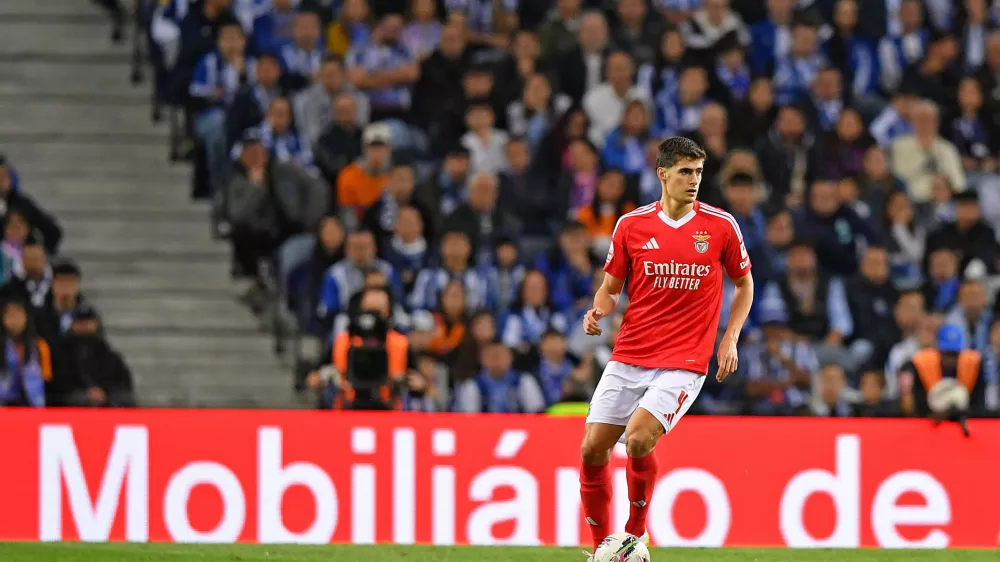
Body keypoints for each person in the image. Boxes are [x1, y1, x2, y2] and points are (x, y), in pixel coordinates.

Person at [578, 136, 754, 558]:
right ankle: (604, 550)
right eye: (685, 172)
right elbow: (610, 288)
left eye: (698, 172)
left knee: (638, 439)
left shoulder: (720, 226)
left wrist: (729, 338)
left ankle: (635, 535)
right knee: (591, 449)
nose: (694, 181)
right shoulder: (632, 226)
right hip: (630, 353)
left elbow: (744, 283)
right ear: (663, 173)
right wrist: (598, 310)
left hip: (684, 360)